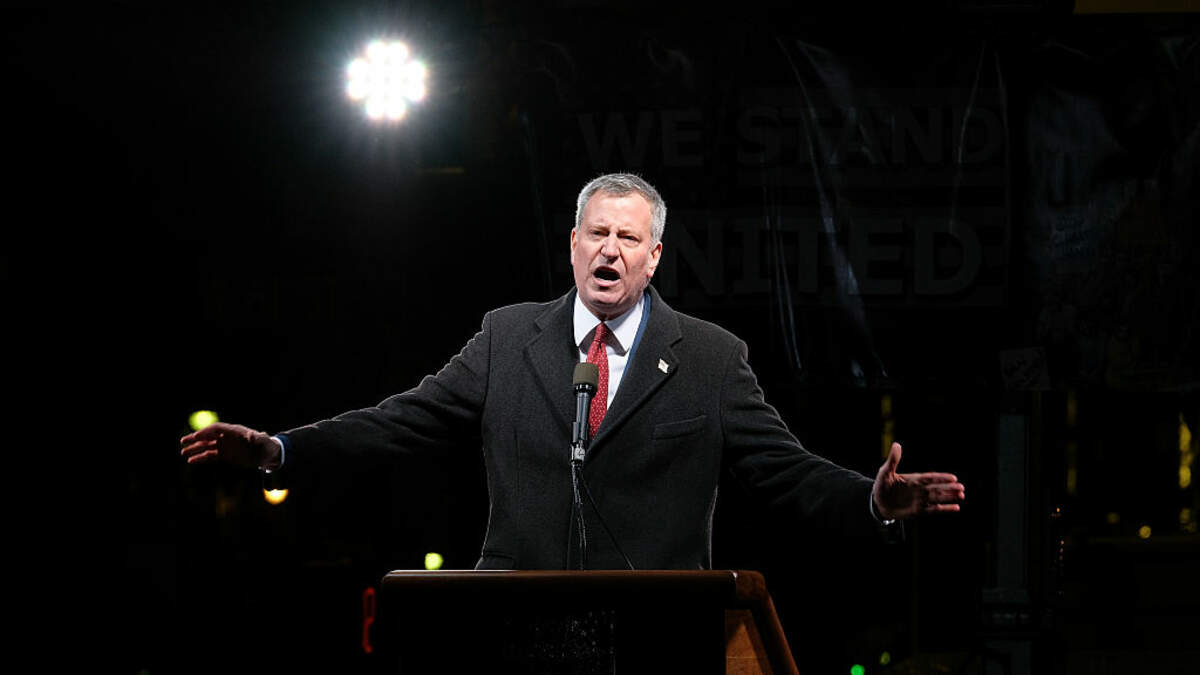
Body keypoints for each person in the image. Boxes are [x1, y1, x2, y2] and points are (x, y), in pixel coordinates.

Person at [181, 173, 964, 570]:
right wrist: (280, 448)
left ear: (654, 257)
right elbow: (398, 423)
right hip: (516, 624)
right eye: (597, 233)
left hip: (658, 628)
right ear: (573, 245)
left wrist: (872, 499)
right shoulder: (506, 337)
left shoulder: (711, 358)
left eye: (628, 237)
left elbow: (785, 470)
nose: (609, 250)